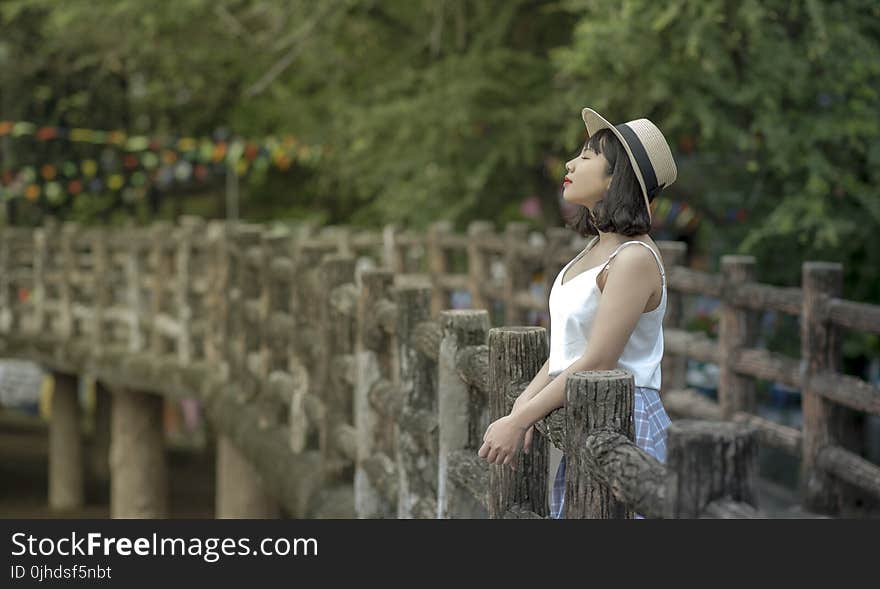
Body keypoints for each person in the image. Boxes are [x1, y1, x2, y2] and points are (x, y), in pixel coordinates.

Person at [477, 107, 677, 519]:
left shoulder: (633, 258)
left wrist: (521, 420)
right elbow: (565, 354)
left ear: (614, 179)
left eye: (587, 157)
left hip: (625, 416)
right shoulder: (592, 251)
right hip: (588, 410)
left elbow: (598, 360)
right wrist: (519, 414)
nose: (570, 163)